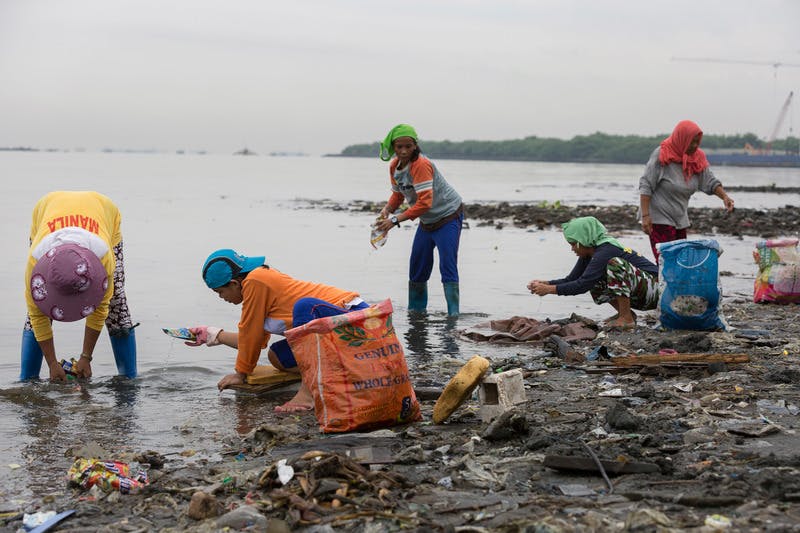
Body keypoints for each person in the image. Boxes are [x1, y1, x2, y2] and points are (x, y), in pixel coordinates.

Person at [187, 249, 369, 412]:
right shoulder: (257, 286)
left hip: (355, 320)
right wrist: (213, 335)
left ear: (234, 283)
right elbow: (253, 340)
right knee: (278, 356)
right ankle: (339, 375)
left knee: (304, 306)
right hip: (336, 335)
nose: (221, 297)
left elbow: (250, 336)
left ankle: (308, 392)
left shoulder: (255, 281)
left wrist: (240, 374)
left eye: (220, 292)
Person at [22, 191, 138, 381]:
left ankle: (129, 379)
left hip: (103, 210)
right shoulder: (35, 262)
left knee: (115, 299)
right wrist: (52, 363)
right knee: (41, 301)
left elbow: (101, 307)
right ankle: (27, 380)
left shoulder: (103, 256)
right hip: (47, 208)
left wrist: (86, 357)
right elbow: (36, 313)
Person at [374, 124, 464, 316]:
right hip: (427, 222)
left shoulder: (421, 165)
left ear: (415, 145)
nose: (403, 151)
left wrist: (395, 220)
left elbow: (425, 203)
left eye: (408, 146)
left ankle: (453, 317)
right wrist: (387, 210)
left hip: (448, 216)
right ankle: (416, 315)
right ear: (393, 147)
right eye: (399, 147)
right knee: (417, 266)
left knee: (447, 265)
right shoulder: (394, 167)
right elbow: (398, 195)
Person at [527, 216, 659, 329]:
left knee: (614, 264)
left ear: (583, 239)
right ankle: (625, 313)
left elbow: (582, 285)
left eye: (573, 244)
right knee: (593, 277)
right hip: (641, 293)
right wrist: (546, 283)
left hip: (656, 291)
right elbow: (573, 279)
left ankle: (626, 318)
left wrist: (549, 290)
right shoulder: (590, 252)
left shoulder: (606, 250)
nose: (572, 249)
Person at [639, 119, 735, 262]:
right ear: (682, 139)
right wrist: (645, 216)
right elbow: (646, 184)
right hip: (658, 217)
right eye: (692, 142)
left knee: (681, 261)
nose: (695, 146)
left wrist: (724, 197)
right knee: (667, 261)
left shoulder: (697, 158)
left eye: (697, 142)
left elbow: (709, 180)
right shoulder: (662, 154)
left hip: (679, 219)